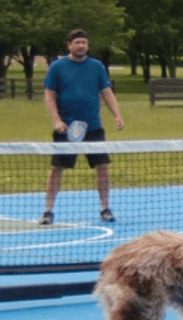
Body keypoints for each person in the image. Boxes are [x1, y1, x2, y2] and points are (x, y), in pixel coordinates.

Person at [41, 28, 125, 225]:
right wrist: (57, 120)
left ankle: (105, 208)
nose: (81, 46)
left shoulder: (97, 66)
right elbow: (49, 95)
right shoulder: (57, 67)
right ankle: (48, 211)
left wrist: (117, 115)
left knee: (102, 167)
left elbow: (107, 92)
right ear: (69, 45)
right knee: (57, 168)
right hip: (66, 129)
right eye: (77, 43)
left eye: (84, 43)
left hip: (93, 127)